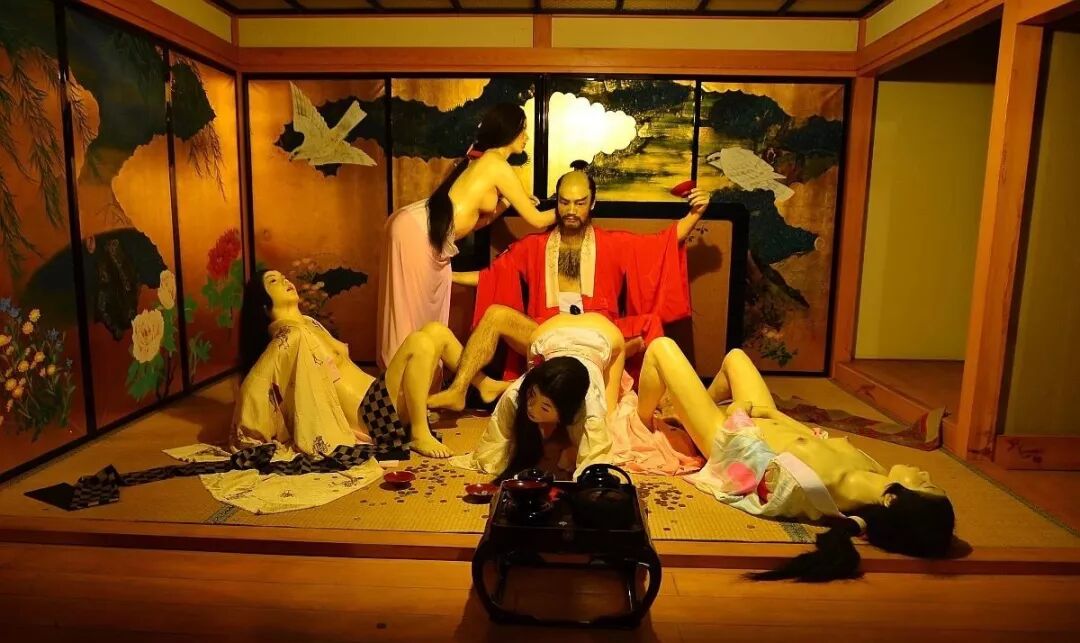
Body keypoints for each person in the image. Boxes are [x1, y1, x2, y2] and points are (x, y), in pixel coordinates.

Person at [636, 339, 956, 581]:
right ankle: (681, 412)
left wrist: (739, 417)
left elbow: (748, 465)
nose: (924, 473)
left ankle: (641, 421)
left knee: (662, 349)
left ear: (891, 500)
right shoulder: (875, 471)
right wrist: (772, 414)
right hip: (764, 420)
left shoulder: (817, 489)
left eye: (925, 484)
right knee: (736, 358)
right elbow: (812, 438)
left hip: (730, 439)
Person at [434, 162, 709, 401]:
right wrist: (446, 275)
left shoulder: (613, 244)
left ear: (592, 203)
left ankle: (663, 401)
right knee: (495, 315)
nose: (571, 210)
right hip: (547, 329)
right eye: (564, 202)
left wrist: (695, 214)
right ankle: (459, 390)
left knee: (650, 327)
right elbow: (490, 277)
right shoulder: (533, 247)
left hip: (597, 332)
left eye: (579, 203)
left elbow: (662, 244)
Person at [235, 270, 507, 459]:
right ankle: (419, 432)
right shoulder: (289, 336)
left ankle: (480, 384)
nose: (285, 281)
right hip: (371, 418)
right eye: (274, 281)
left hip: (379, 399)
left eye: (283, 277)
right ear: (263, 304)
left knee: (436, 331)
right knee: (419, 343)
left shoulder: (308, 324)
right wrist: (248, 429)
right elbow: (256, 382)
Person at [376, 103, 556, 369]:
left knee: (420, 314)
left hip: (418, 226)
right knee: (412, 314)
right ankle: (401, 384)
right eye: (523, 130)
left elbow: (475, 223)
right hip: (418, 230)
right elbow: (537, 220)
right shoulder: (496, 164)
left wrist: (507, 203)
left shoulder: (485, 162)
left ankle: (417, 381)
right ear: (509, 131)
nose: (526, 137)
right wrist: (573, 209)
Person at [448, 306, 625, 481]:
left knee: (608, 419)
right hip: (547, 334)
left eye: (545, 407)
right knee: (537, 390)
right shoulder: (517, 392)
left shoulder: (589, 406)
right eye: (531, 396)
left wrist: (576, 456)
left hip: (603, 333)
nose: (531, 408)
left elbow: (596, 466)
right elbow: (493, 443)